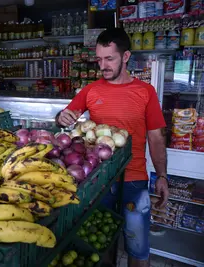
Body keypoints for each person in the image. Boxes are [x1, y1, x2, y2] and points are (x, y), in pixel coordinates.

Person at [56, 28, 169, 267]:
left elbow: (156, 137)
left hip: (134, 179)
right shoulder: (90, 90)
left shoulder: (145, 92)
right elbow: (67, 116)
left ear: (125, 57)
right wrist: (62, 117)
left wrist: (161, 176)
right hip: (98, 179)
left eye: (109, 59)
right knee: (100, 240)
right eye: (99, 59)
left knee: (137, 245)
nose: (103, 65)